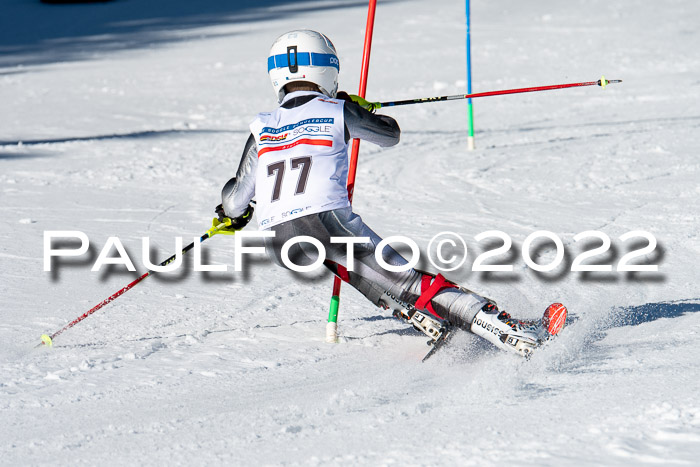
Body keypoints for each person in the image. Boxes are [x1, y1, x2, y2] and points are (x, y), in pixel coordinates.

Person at [216, 29, 565, 358]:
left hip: (278, 235)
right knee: (410, 279)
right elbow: (389, 135)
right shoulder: (337, 109)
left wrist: (234, 213)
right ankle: (514, 331)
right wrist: (359, 110)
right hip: (325, 218)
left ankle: (423, 317)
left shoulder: (263, 126)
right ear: (327, 68)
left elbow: (235, 199)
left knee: (350, 266)